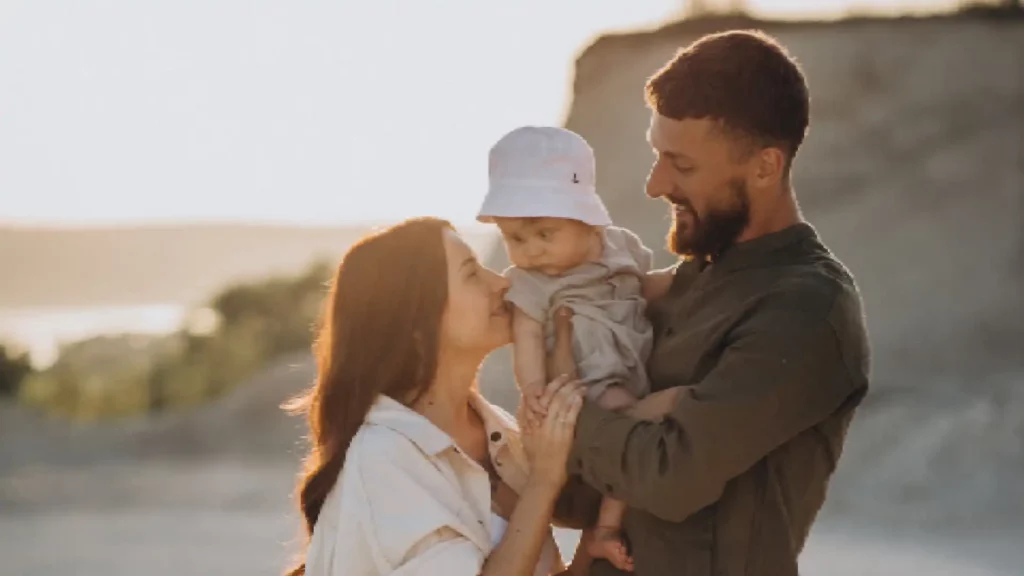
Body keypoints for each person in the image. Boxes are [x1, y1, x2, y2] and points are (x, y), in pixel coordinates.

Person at [553, 30, 872, 575]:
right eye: (658, 156)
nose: (655, 185)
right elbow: (578, 494)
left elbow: (669, 477)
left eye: (683, 165)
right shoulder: (687, 283)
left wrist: (561, 420)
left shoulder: (806, 308)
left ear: (766, 167)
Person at [284, 217, 587, 576]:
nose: (501, 282)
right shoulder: (383, 458)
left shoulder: (502, 433)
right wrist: (543, 482)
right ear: (416, 322)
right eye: (471, 274)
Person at [475, 125, 676, 572]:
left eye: (544, 234)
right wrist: (532, 388)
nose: (530, 251)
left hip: (632, 365)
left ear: (586, 220)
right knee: (632, 424)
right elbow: (526, 337)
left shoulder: (619, 248)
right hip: (587, 384)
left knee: (632, 441)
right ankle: (605, 528)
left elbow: (649, 287)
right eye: (515, 239)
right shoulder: (530, 283)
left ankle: (603, 528)